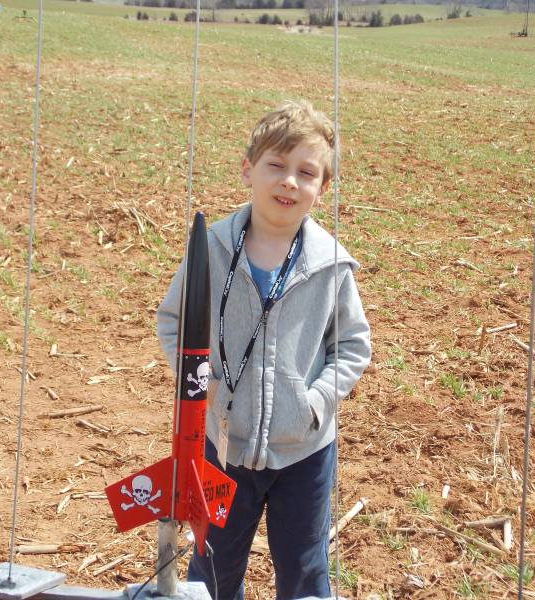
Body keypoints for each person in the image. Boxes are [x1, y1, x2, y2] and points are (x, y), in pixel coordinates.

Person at [157, 100, 371, 600]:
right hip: (223, 447)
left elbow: (352, 345)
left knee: (304, 570)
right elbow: (173, 323)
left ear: (323, 187)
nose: (289, 181)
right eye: (276, 165)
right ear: (248, 169)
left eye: (306, 172)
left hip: (305, 453)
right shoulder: (210, 247)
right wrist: (206, 389)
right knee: (212, 566)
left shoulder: (331, 265)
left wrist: (315, 404)